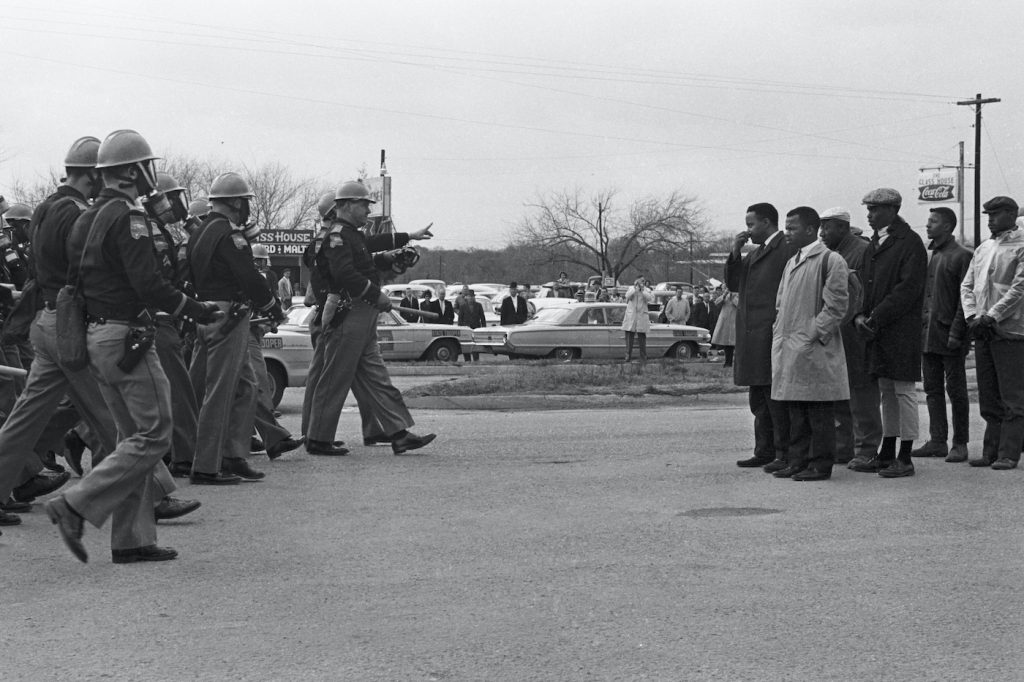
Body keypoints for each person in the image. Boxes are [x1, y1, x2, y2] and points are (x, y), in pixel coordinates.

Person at [46, 129, 223, 563]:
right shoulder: (130, 217)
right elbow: (149, 284)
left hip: (97, 336)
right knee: (153, 435)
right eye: (148, 167)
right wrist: (196, 310)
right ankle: (75, 504)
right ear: (130, 172)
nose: (152, 175)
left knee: (130, 438)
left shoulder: (86, 216)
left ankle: (132, 539)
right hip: (127, 337)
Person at [303, 180, 435, 456]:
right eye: (363, 204)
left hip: (362, 315)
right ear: (347, 205)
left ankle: (398, 433)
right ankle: (317, 438)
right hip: (349, 313)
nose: (367, 210)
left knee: (376, 377)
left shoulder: (351, 234)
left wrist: (408, 236)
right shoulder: (337, 235)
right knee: (335, 377)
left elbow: (371, 244)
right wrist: (375, 295)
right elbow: (344, 275)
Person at [187, 171, 286, 485]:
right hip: (229, 315)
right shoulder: (231, 234)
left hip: (205, 312)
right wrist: (272, 307)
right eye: (244, 201)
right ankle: (205, 465)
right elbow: (248, 276)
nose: (246, 207)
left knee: (245, 387)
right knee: (220, 391)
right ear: (233, 202)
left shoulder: (200, 232)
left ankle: (233, 454)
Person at [849, 188, 927, 479]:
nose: (869, 214)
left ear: (893, 209)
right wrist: (859, 314)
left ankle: (905, 456)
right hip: (877, 329)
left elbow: (908, 289)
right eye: (868, 209)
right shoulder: (874, 244)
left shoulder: (910, 243)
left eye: (875, 209)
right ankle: (887, 450)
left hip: (900, 330)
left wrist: (874, 316)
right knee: (886, 391)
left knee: (904, 391)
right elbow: (866, 286)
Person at [770, 207, 850, 481]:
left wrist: (812, 334)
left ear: (809, 229)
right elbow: (781, 303)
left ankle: (820, 464)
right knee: (796, 410)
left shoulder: (830, 260)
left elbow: (837, 306)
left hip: (812, 347)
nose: (787, 233)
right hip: (790, 346)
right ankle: (798, 460)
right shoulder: (792, 261)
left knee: (818, 409)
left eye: (792, 228)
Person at [725, 202, 797, 470]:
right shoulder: (757, 253)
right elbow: (734, 283)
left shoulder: (785, 249)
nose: (748, 230)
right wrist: (735, 252)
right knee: (759, 398)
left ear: (766, 222)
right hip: (753, 335)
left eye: (751, 224)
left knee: (775, 397)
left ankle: (783, 452)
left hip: (771, 333)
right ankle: (764, 450)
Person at [961, 196, 1024, 470]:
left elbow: (1019, 289)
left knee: (1012, 395)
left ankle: (1009, 453)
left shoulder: (1021, 245)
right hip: (982, 329)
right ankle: (990, 450)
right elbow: (967, 285)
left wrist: (991, 316)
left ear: (1011, 214)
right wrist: (972, 316)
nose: (990, 219)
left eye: (996, 214)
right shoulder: (983, 248)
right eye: (988, 214)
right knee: (988, 394)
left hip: (1009, 330)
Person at [818, 207, 878, 466]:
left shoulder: (862, 252)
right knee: (839, 391)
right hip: (837, 332)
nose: (822, 232)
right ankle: (844, 446)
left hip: (855, 334)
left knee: (860, 392)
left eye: (827, 226)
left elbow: (863, 294)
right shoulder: (832, 254)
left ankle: (866, 448)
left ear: (842, 227)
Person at [912, 207, 972, 462]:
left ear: (948, 226)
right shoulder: (931, 255)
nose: (928, 225)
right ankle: (937, 440)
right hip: (929, 334)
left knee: (956, 390)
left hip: (951, 334)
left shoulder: (962, 256)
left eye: (933, 221)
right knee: (932, 389)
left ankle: (960, 442)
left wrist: (958, 332)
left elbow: (965, 298)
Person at [621, 277, 654, 362]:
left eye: (643, 281)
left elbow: (650, 298)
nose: (642, 282)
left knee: (642, 338)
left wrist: (642, 290)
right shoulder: (631, 288)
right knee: (629, 337)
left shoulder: (646, 290)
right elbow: (627, 296)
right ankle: (628, 356)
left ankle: (643, 357)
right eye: (641, 280)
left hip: (641, 316)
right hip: (631, 316)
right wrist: (635, 289)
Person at [711, 287, 738, 368]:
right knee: (726, 343)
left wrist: (733, 298)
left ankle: (733, 362)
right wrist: (724, 295)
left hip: (734, 322)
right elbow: (716, 302)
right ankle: (727, 362)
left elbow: (739, 305)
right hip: (725, 322)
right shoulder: (725, 295)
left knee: (733, 343)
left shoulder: (737, 295)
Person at [458, 289, 486, 361]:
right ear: (466, 297)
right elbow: (460, 319)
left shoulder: (478, 305)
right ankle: (467, 360)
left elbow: (482, 318)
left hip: (476, 329)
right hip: (466, 329)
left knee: (475, 346)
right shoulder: (462, 306)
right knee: (466, 346)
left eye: (472, 296)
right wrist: (460, 329)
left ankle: (476, 360)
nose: (471, 298)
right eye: (469, 296)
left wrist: (484, 328)